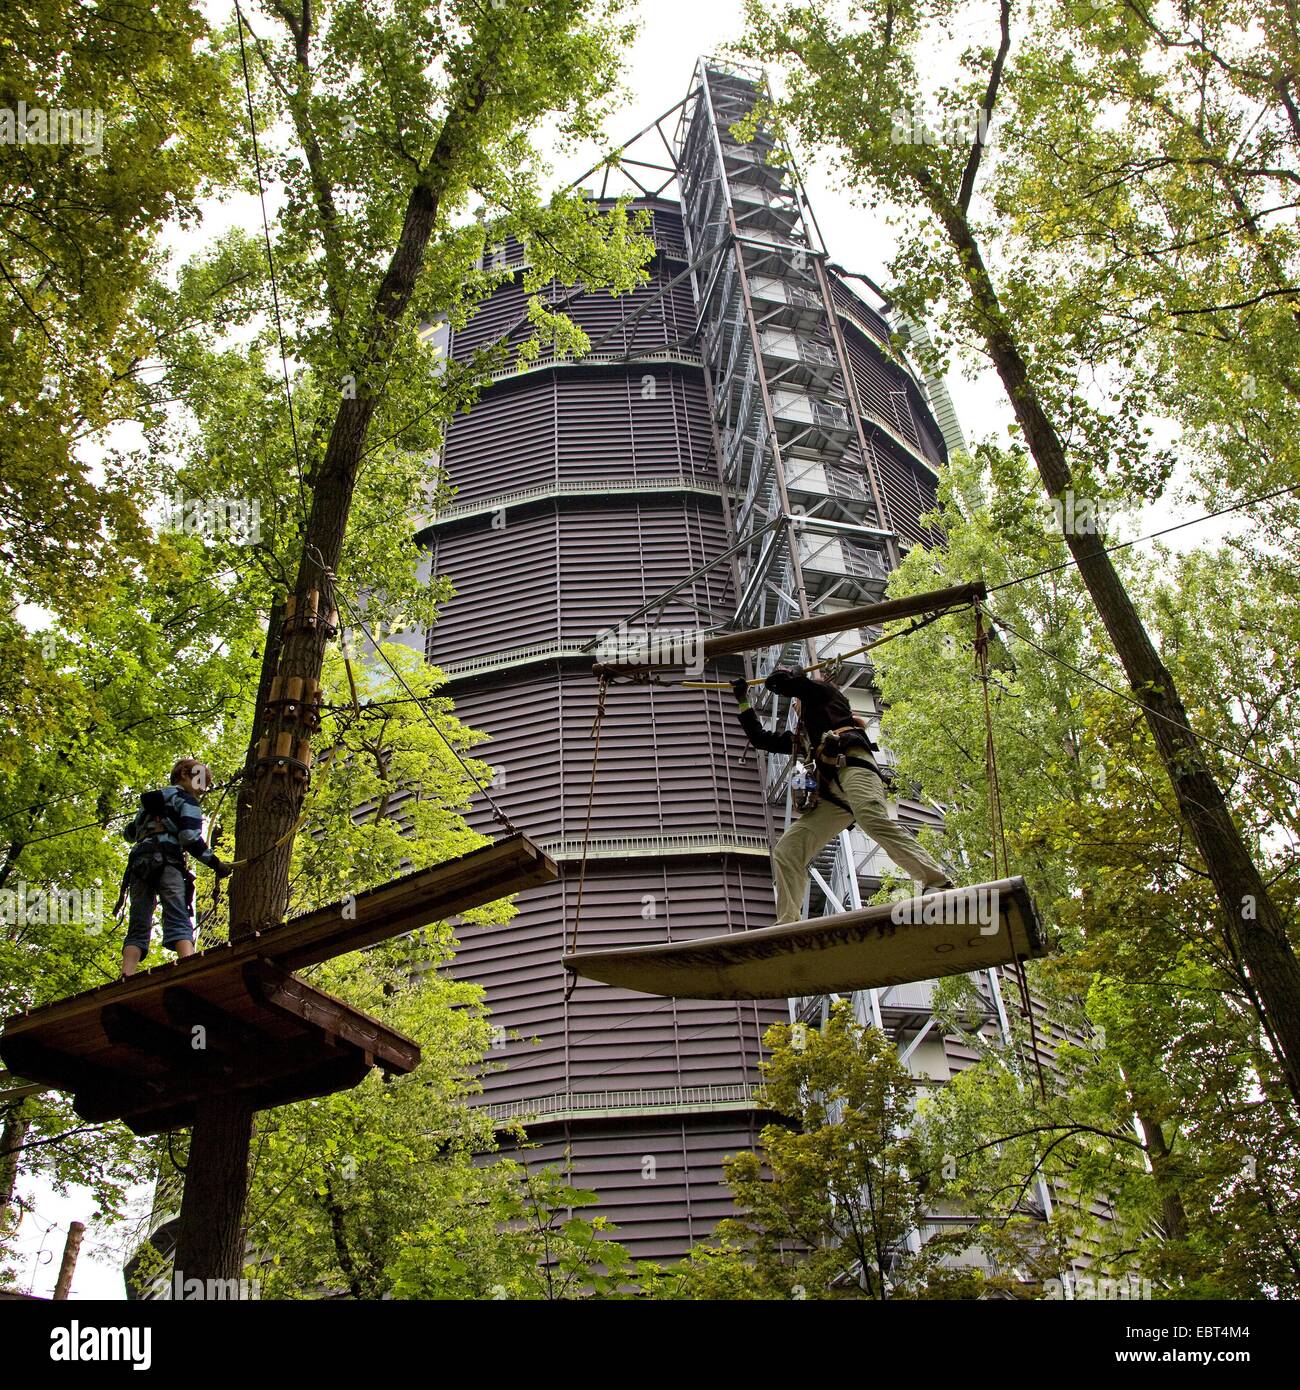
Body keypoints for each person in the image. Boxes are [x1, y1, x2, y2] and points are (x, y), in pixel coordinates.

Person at [733, 667, 952, 924]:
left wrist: (789, 676)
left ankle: (937, 881)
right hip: (835, 797)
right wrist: (744, 701)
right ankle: (788, 922)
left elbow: (785, 684)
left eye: (796, 704)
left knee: (871, 818)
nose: (795, 708)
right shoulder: (804, 738)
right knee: (787, 850)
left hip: (854, 767)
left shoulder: (827, 695)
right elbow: (761, 739)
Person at [118, 757, 231, 977]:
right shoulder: (186, 800)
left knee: (139, 918)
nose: (201, 790)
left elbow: (129, 834)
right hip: (167, 860)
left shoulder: (151, 803)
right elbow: (189, 837)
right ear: (184, 775)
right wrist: (216, 864)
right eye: (200, 782)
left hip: (139, 862)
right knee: (177, 910)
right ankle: (190, 964)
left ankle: (126, 973)